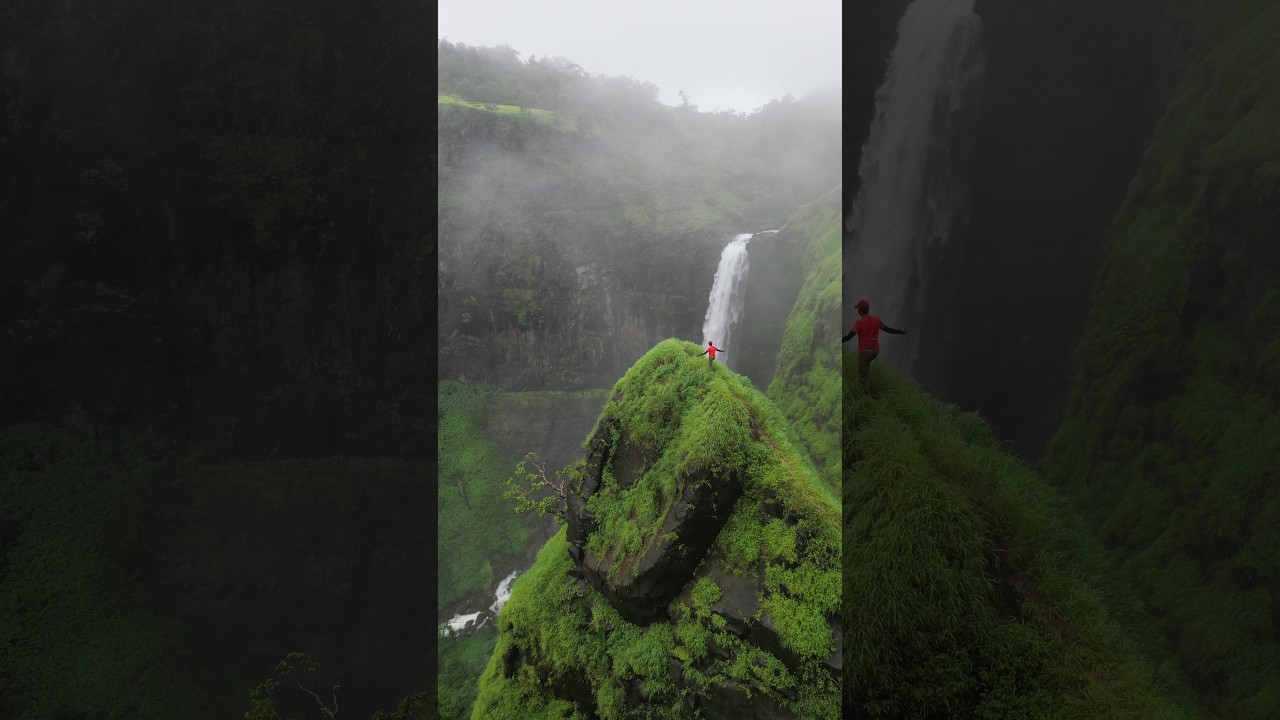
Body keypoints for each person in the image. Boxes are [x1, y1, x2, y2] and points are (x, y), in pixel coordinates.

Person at [842, 299, 907, 394]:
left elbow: (849, 337)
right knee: (866, 369)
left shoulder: (859, 323)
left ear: (859, 311)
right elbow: (888, 329)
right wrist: (901, 332)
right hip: (875, 351)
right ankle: (867, 387)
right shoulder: (876, 320)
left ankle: (866, 397)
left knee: (863, 376)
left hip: (865, 352)